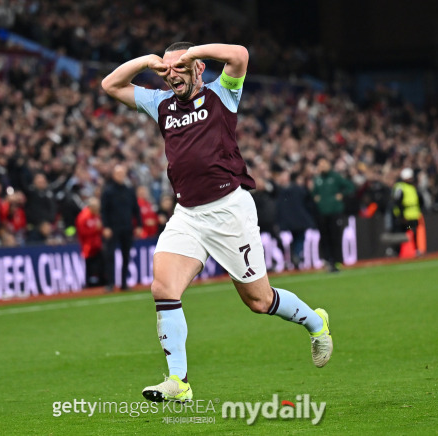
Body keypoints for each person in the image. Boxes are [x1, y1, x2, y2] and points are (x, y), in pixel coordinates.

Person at [102, 42, 333, 403]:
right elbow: (111, 86)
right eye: (166, 70)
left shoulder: (222, 94)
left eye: (179, 67)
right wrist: (148, 62)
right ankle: (179, 381)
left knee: (259, 301)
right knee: (163, 289)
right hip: (188, 215)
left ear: (197, 68)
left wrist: (192, 51)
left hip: (229, 211)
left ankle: (315, 322)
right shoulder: (160, 103)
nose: (171, 74)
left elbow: (240, 54)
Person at [100, 164, 143, 291]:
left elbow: (136, 208)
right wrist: (106, 226)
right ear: (114, 175)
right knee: (110, 256)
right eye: (118, 174)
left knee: (126, 255)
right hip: (112, 228)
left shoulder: (129, 190)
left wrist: (139, 225)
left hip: (127, 227)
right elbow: (104, 210)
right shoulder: (108, 191)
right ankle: (110, 283)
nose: (121, 176)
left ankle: (124, 283)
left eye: (122, 174)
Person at [312, 157, 354, 272]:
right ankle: (327, 261)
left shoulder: (335, 177)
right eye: (320, 164)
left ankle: (337, 261)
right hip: (322, 213)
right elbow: (314, 192)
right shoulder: (317, 179)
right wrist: (315, 197)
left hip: (335, 212)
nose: (322, 166)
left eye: (323, 164)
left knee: (335, 237)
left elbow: (350, 186)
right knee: (325, 238)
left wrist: (341, 194)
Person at [392, 168, 423, 255]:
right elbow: (398, 203)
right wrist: (401, 216)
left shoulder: (412, 187)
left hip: (413, 216)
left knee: (414, 232)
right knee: (405, 232)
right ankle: (395, 251)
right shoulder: (401, 187)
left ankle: (416, 250)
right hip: (406, 217)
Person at [75, 197, 104, 287]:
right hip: (87, 246)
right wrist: (95, 229)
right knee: (89, 266)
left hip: (97, 245)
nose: (97, 209)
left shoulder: (97, 216)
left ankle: (100, 281)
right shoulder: (83, 217)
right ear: (90, 207)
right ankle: (89, 283)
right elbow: (82, 232)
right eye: (96, 207)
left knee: (100, 265)